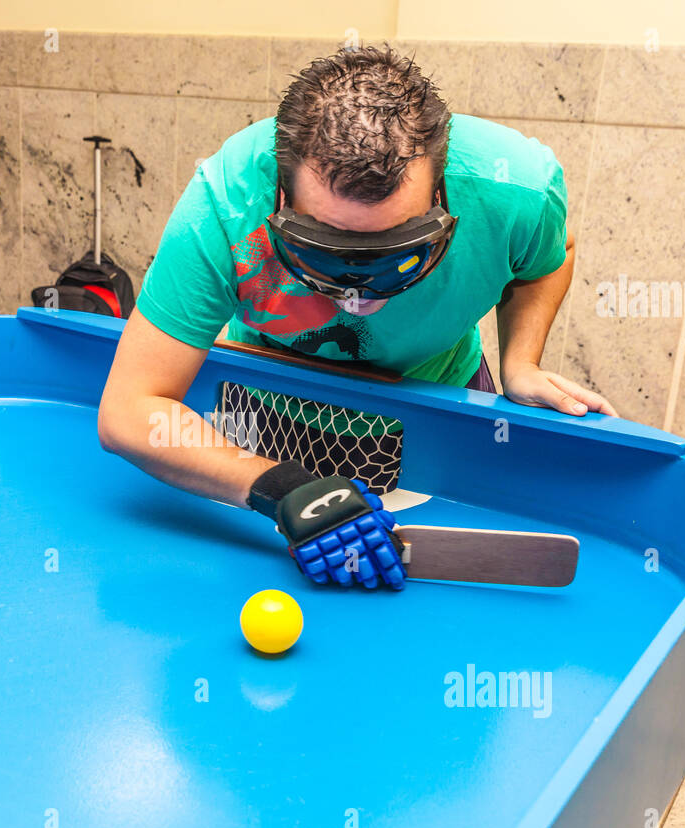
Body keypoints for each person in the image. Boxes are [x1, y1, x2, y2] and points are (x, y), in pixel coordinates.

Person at [98, 45, 618, 591]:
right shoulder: (222, 204)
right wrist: (282, 488)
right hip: (269, 409)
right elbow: (131, 408)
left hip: (437, 398)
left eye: (396, 249)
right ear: (279, 195)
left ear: (442, 190)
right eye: (328, 249)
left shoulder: (516, 189)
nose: (358, 294)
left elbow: (549, 257)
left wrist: (521, 362)